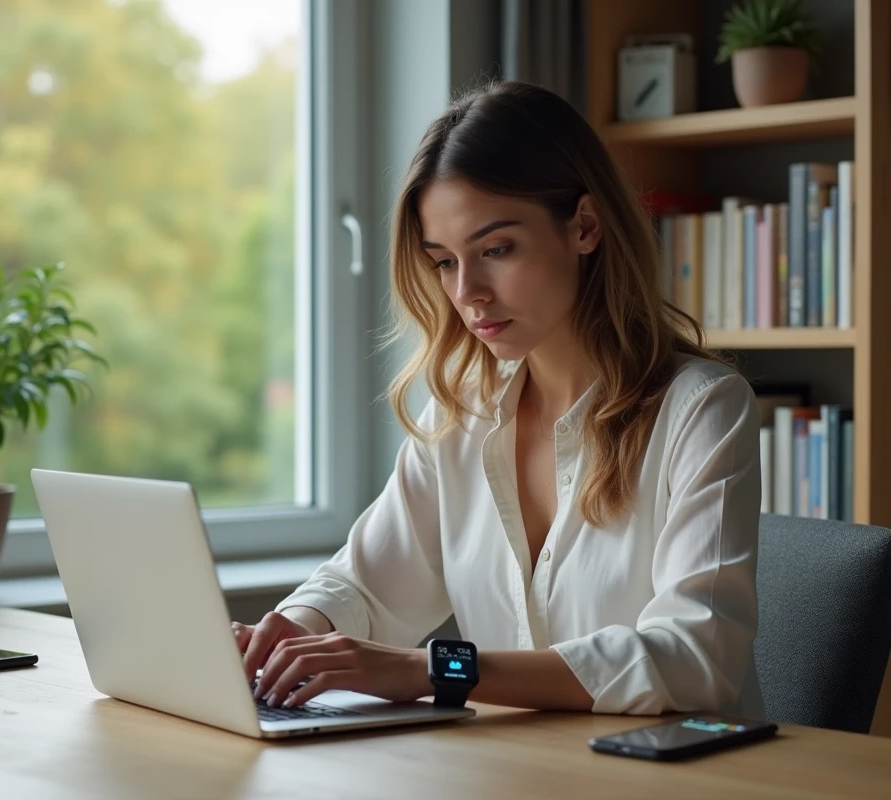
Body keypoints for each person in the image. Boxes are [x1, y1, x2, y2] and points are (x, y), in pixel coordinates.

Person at [235, 80, 763, 718]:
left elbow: (695, 658)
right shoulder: (462, 415)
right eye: (444, 261)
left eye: (496, 250)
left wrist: (433, 669)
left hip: (674, 766)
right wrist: (289, 633)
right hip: (514, 763)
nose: (468, 292)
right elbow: (365, 586)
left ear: (585, 227)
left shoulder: (701, 410)